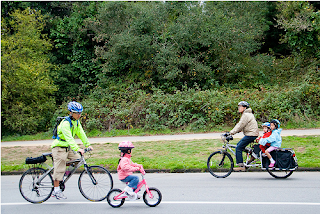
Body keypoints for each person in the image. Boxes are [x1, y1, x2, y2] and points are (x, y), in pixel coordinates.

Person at [51, 101, 93, 200]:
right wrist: (77, 148)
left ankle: (62, 173)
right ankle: (56, 190)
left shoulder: (76, 122)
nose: (79, 115)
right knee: (59, 169)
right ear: (71, 112)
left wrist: (88, 145)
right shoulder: (65, 123)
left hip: (68, 148)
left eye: (80, 113)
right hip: (59, 148)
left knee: (78, 159)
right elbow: (69, 138)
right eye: (77, 113)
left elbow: (81, 133)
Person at [229, 101, 259, 172]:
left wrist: (231, 133)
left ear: (245, 107)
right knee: (239, 145)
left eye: (240, 106)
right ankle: (251, 153)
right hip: (252, 134)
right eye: (238, 106)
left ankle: (241, 166)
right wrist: (237, 131)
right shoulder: (247, 114)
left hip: (251, 134)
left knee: (238, 148)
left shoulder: (246, 115)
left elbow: (240, 125)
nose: (239, 108)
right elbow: (244, 125)